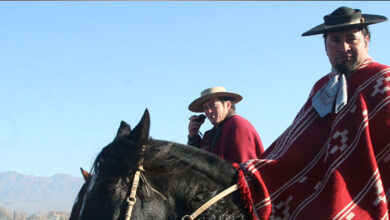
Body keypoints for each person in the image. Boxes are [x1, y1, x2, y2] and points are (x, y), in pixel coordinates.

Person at [235, 7, 390, 219]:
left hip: (367, 199)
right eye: (334, 41)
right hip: (318, 198)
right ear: (325, 48)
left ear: (366, 41)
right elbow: (298, 147)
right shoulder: (322, 89)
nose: (343, 47)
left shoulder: (383, 80)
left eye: (351, 39)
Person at [187, 86, 264, 163]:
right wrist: (193, 137)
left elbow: (243, 168)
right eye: (205, 108)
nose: (208, 111)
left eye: (213, 105)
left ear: (227, 105)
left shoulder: (238, 127)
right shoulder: (210, 135)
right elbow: (198, 166)